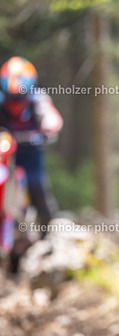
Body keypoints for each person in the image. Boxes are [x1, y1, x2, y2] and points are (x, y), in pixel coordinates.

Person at [0, 56, 62, 230]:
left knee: (37, 186)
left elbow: (50, 117)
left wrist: (48, 127)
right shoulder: (1, 101)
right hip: (5, 157)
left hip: (31, 154)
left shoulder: (37, 99)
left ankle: (49, 227)